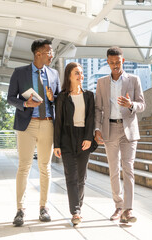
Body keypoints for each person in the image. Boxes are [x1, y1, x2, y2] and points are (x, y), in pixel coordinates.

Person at [7, 39, 61, 227]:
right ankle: (20, 210)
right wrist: (25, 104)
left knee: (45, 167)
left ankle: (43, 207)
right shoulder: (19, 73)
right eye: (49, 52)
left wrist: (51, 98)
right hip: (27, 125)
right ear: (38, 53)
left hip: (47, 124)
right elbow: (10, 98)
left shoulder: (54, 74)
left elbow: (59, 100)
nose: (51, 55)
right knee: (24, 167)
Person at [94, 47, 145, 223]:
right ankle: (118, 206)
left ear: (123, 60)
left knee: (128, 169)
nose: (115, 65)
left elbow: (142, 104)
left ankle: (128, 210)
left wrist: (131, 104)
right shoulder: (101, 83)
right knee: (114, 170)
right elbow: (98, 108)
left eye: (118, 62)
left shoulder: (134, 79)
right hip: (109, 129)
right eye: (112, 62)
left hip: (129, 130)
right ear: (108, 62)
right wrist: (97, 129)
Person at [53, 62, 95, 225]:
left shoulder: (89, 95)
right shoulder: (63, 97)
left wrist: (88, 138)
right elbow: (59, 122)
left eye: (81, 73)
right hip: (66, 139)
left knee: (81, 177)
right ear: (69, 76)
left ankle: (78, 207)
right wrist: (56, 144)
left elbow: (91, 118)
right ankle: (75, 212)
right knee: (71, 176)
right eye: (77, 73)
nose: (80, 76)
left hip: (84, 138)